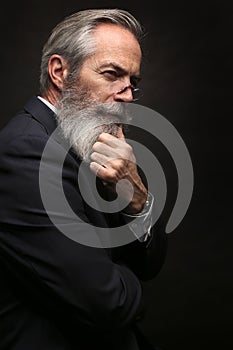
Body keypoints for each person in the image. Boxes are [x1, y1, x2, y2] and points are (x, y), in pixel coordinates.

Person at [0, 8, 167, 350]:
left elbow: (149, 263)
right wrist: (122, 272)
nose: (128, 95)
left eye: (132, 82)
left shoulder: (85, 140)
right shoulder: (25, 154)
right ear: (60, 72)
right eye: (112, 74)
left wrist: (136, 198)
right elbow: (106, 305)